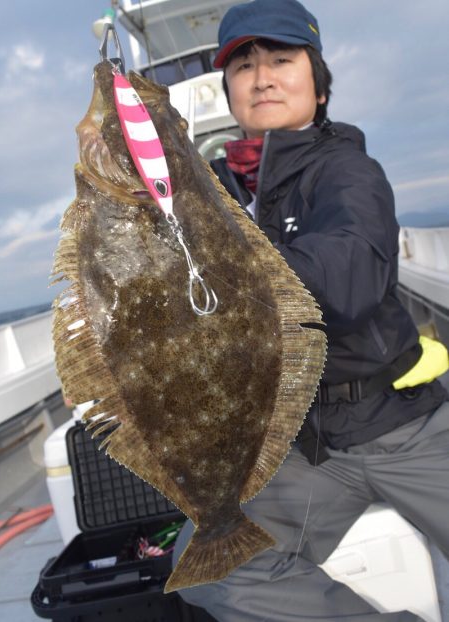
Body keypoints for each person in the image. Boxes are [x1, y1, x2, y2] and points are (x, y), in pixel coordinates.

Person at [173, 1, 449, 620]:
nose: (262, 76)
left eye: (280, 59)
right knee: (210, 567)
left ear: (317, 85)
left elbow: (348, 281)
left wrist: (225, 252)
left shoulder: (347, 170)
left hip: (403, 424)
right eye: (243, 65)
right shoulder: (207, 190)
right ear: (230, 91)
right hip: (305, 445)